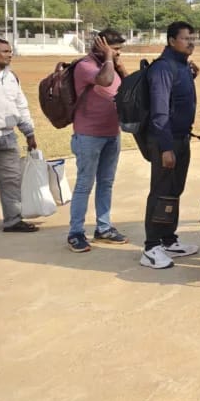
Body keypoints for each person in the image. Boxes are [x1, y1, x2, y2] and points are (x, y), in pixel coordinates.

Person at [140, 21, 200, 270]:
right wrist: (166, 148)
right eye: (186, 38)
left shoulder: (181, 65)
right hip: (166, 140)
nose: (191, 42)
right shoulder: (163, 68)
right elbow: (160, 111)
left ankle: (167, 239)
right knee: (161, 190)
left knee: (174, 190)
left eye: (192, 38)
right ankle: (151, 247)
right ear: (172, 41)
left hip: (181, 137)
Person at [67, 29, 128, 252]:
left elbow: (130, 87)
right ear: (101, 45)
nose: (118, 53)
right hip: (88, 136)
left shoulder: (112, 65)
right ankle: (75, 232)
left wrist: (118, 64)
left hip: (112, 134)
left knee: (106, 183)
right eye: (115, 49)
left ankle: (103, 227)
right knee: (85, 184)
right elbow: (105, 80)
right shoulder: (85, 66)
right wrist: (109, 58)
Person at [0, 38, 39, 232]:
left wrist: (29, 132)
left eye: (10, 51)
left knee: (11, 180)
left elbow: (20, 106)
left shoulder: (11, 77)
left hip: (8, 137)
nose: (9, 54)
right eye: (4, 51)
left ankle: (13, 220)